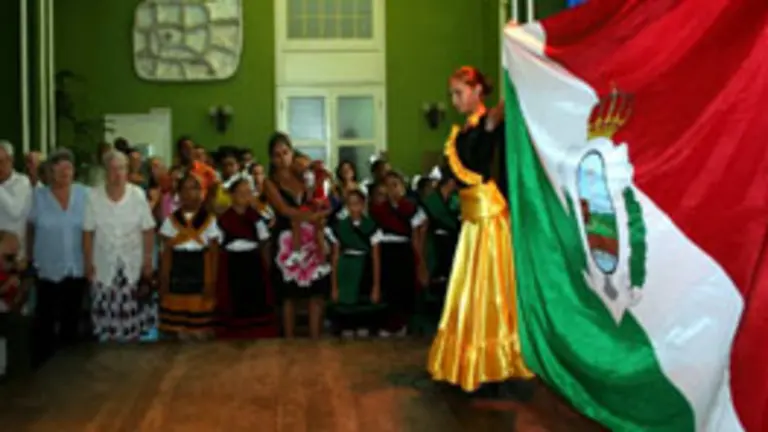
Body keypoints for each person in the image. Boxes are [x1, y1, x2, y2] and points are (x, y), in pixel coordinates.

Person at [427, 66, 534, 399]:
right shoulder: (470, 129)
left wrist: (492, 124)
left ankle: (492, 367)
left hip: (489, 225)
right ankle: (473, 364)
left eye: (459, 92)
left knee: (489, 293)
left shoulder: (488, 126)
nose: (454, 100)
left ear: (476, 92)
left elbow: (483, 162)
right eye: (453, 94)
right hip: (474, 224)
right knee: (470, 294)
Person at [83, 150, 157, 342]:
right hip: (104, 263)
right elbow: (88, 232)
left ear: (127, 171)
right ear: (105, 171)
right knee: (105, 318)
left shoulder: (138, 195)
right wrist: (88, 262)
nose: (117, 174)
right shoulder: (93, 196)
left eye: (122, 168)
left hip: (132, 262)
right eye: (113, 169)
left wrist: (148, 260)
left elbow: (148, 229)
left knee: (133, 318)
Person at [262, 132, 330, 339]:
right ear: (271, 158)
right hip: (286, 238)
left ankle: (315, 338)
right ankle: (289, 341)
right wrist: (312, 215)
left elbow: (320, 196)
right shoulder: (269, 182)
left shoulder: (303, 176)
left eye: (285, 152)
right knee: (288, 293)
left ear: (292, 152)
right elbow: (284, 209)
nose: (282, 158)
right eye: (277, 154)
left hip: (311, 234)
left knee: (315, 290)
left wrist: (314, 180)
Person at [26, 149, 89, 365]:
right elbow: (30, 228)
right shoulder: (38, 196)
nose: (64, 173)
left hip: (77, 266)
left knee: (72, 320)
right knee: (45, 320)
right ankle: (43, 369)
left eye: (68, 168)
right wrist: (29, 259)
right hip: (47, 267)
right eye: (59, 168)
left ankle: (70, 369)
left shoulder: (85, 194)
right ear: (50, 172)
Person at [158, 173, 221, 340]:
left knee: (199, 315)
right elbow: (165, 252)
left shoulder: (209, 220)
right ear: (178, 193)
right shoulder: (171, 221)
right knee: (177, 320)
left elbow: (214, 251)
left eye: (194, 188)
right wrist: (163, 279)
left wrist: (212, 280)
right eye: (184, 189)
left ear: (202, 193)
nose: (189, 193)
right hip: (177, 268)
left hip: (200, 266)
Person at [216, 178, 277, 339]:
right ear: (232, 195)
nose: (245, 196)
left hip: (252, 262)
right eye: (241, 192)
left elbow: (264, 241)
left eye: (248, 192)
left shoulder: (256, 217)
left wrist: (266, 264)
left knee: (255, 299)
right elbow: (218, 243)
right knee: (234, 298)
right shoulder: (224, 218)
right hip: (232, 262)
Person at [369, 171, 427, 337]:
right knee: (388, 287)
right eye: (388, 186)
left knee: (404, 287)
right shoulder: (379, 210)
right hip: (386, 250)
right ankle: (388, 323)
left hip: (404, 250)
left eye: (396, 185)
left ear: (403, 187)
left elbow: (417, 236)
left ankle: (402, 325)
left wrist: (420, 262)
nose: (392, 189)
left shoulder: (411, 208)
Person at [328, 190, 384, 338]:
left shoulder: (371, 226)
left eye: (357, 204)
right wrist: (334, 286)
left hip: (365, 269)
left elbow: (376, 257)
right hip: (345, 269)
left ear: (363, 204)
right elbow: (335, 257)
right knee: (345, 315)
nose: (354, 208)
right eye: (350, 204)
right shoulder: (339, 227)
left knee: (363, 315)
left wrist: (376, 286)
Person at [0, 141, 33, 264]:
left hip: (16, 257)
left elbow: (15, 211)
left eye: (1, 162)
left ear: (11, 161)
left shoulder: (22, 182)